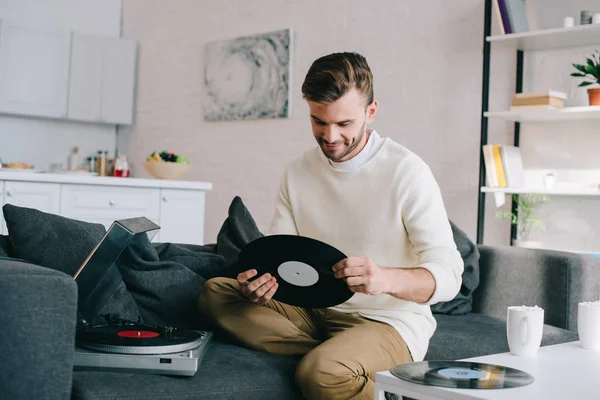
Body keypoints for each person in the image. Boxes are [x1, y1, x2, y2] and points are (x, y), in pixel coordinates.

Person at [198, 52, 464, 400]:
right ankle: (340, 356)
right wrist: (260, 286)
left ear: (371, 113)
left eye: (344, 124)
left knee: (319, 373)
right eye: (318, 121)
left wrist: (385, 277)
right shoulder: (297, 172)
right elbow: (280, 255)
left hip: (389, 322)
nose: (330, 136)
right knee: (215, 294)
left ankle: (333, 362)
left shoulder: (408, 173)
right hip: (311, 312)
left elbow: (450, 275)